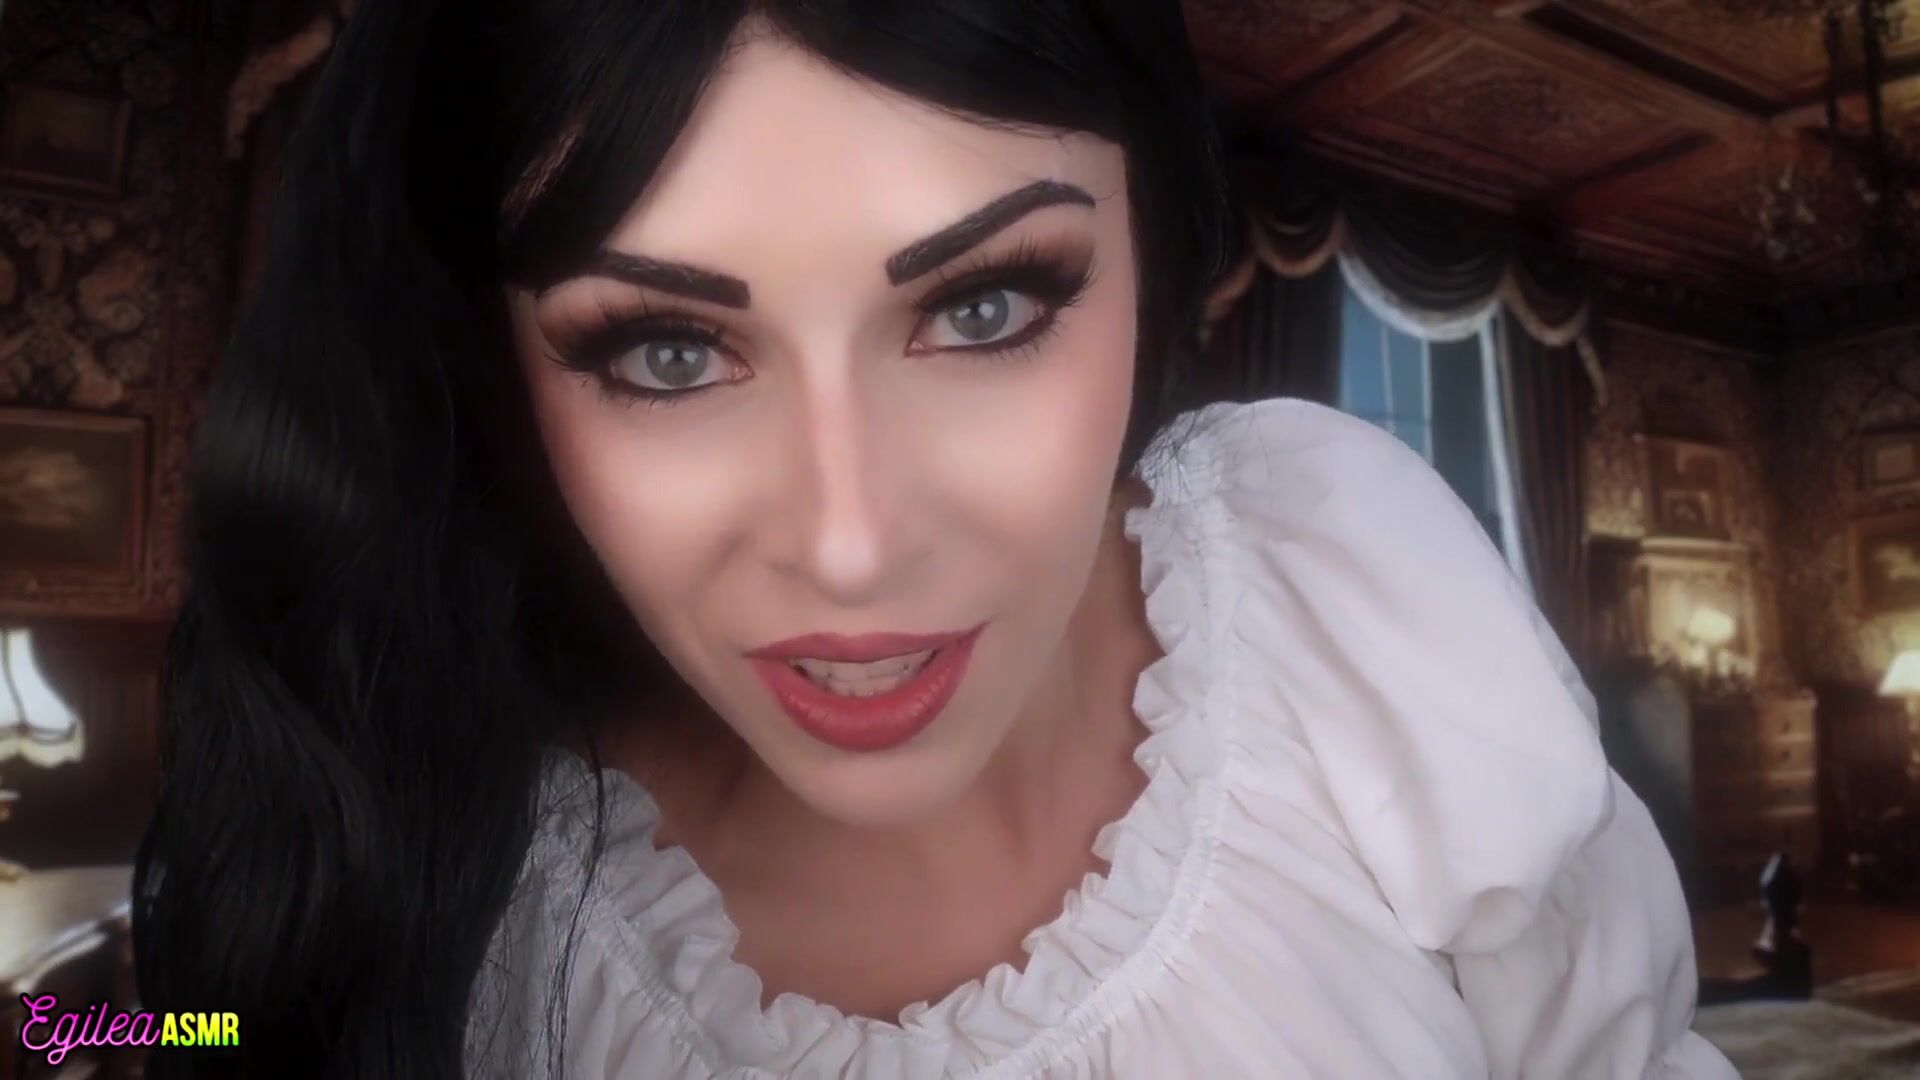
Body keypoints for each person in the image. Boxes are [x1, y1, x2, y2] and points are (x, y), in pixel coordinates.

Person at [131, 0, 1739, 1077]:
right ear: (496, 365)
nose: (852, 547)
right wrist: (76, 1030)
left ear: (1154, 259)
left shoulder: (1338, 601)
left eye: (983, 309)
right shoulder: (412, 821)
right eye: (668, 353)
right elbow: (168, 1033)